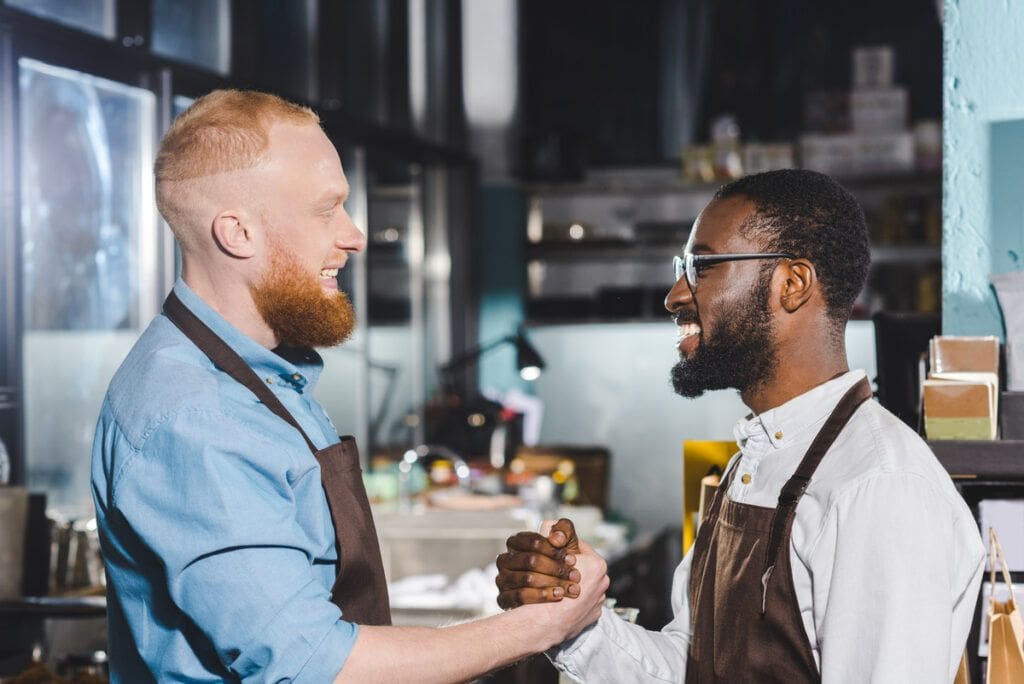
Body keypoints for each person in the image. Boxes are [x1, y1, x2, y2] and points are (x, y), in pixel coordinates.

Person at [91, 89, 609, 683]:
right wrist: (544, 626)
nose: (355, 235)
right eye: (324, 210)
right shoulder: (197, 413)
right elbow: (317, 666)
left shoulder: (263, 378)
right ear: (237, 233)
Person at [495, 170, 986, 682]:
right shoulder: (754, 463)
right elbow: (691, 668)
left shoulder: (878, 488)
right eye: (681, 267)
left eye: (701, 267)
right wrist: (570, 620)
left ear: (792, 284)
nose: (675, 294)